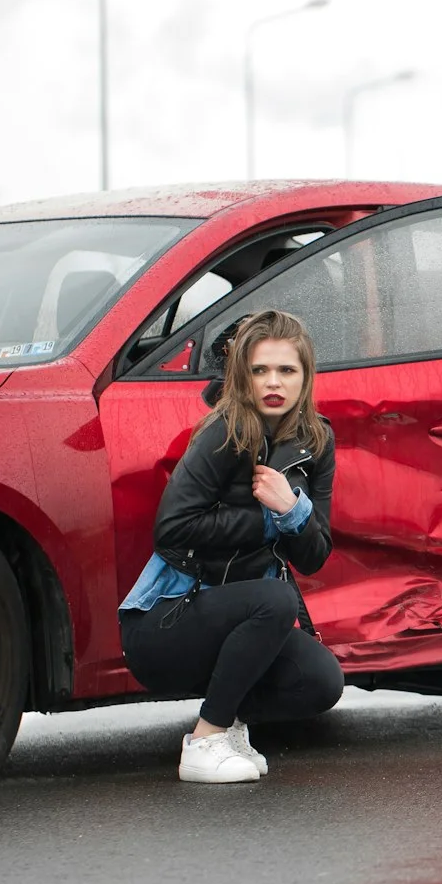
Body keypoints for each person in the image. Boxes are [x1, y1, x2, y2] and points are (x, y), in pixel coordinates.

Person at [118, 310, 344, 783]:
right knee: (274, 600)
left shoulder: (316, 441)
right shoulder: (225, 431)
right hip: (167, 617)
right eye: (260, 370)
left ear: (306, 376)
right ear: (243, 376)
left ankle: (231, 725)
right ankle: (206, 739)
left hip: (240, 617)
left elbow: (315, 553)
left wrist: (292, 510)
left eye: (287, 370)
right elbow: (173, 528)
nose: (273, 382)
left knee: (321, 681)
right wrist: (266, 518)